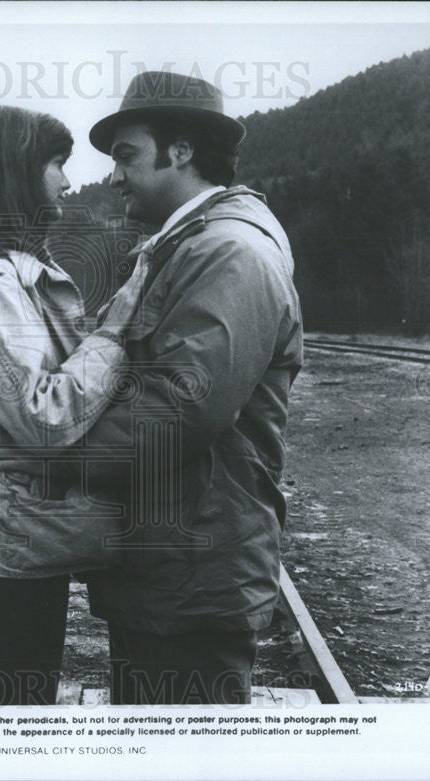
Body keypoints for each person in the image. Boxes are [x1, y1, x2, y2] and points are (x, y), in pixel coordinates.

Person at [40, 70, 305, 704]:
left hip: (195, 570)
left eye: (126, 155)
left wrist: (49, 455)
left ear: (181, 150)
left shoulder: (230, 255)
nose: (113, 175)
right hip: (169, 566)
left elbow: (177, 411)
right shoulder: (185, 248)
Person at [0, 104, 148, 706]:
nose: (68, 182)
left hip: (19, 536)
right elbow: (46, 416)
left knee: (16, 702)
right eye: (56, 164)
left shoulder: (1, 277)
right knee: (13, 716)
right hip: (8, 542)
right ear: (16, 173)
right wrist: (114, 333)